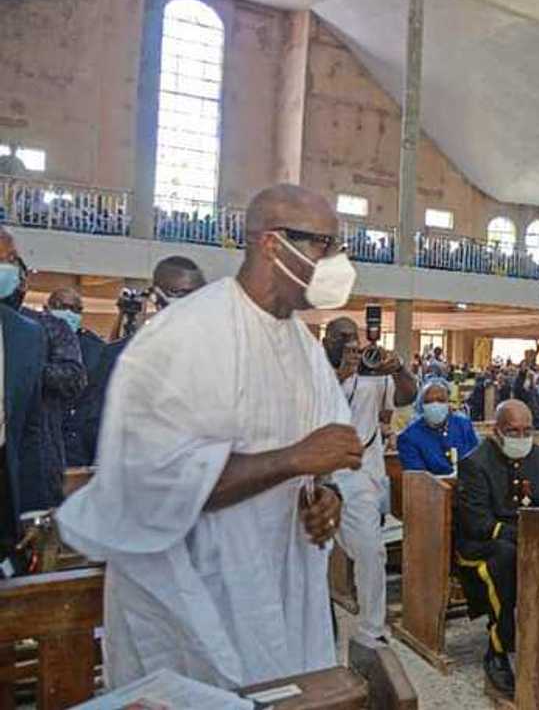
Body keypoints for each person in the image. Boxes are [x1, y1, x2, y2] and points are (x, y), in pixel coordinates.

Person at [57, 184, 366, 688]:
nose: (336, 261)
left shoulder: (305, 347)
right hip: (195, 592)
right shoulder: (185, 335)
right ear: (272, 244)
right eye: (324, 244)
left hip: (279, 577)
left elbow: (322, 459)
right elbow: (148, 483)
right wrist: (292, 459)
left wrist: (324, 494)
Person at [322, 316, 416, 657]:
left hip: (358, 473)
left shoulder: (371, 371)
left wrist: (398, 368)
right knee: (310, 555)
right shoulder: (312, 369)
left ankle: (372, 630)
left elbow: (407, 396)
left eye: (353, 338)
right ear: (326, 340)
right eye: (341, 338)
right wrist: (339, 377)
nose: (349, 345)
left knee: (370, 550)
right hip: (314, 470)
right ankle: (320, 624)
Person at [455, 399, 539, 699]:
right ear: (497, 431)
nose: (522, 437)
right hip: (484, 545)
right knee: (505, 558)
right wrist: (526, 536)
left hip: (530, 538)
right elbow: (477, 523)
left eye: (527, 430)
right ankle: (497, 651)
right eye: (514, 431)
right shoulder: (476, 462)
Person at [87, 256, 207, 460]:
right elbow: (95, 425)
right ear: (157, 297)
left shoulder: (220, 353)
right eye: (180, 294)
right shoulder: (121, 355)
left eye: (197, 295)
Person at [0, 228, 85, 509]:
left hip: (28, 460)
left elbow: (73, 378)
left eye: (11, 261)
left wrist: (23, 369)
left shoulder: (38, 330)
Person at [0, 242, 46, 575]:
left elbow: (29, 428)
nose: (7, 266)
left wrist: (32, 508)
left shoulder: (26, 335)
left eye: (11, 258)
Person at [48, 287, 106, 469]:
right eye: (62, 306)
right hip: (43, 431)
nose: (69, 312)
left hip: (78, 438)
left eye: (75, 309)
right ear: (47, 307)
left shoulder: (95, 348)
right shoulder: (33, 340)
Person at [397, 377, 479, 475]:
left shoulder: (464, 426)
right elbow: (418, 478)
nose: (435, 405)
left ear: (448, 402)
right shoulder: (409, 437)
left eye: (440, 400)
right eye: (429, 401)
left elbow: (477, 461)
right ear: (421, 405)